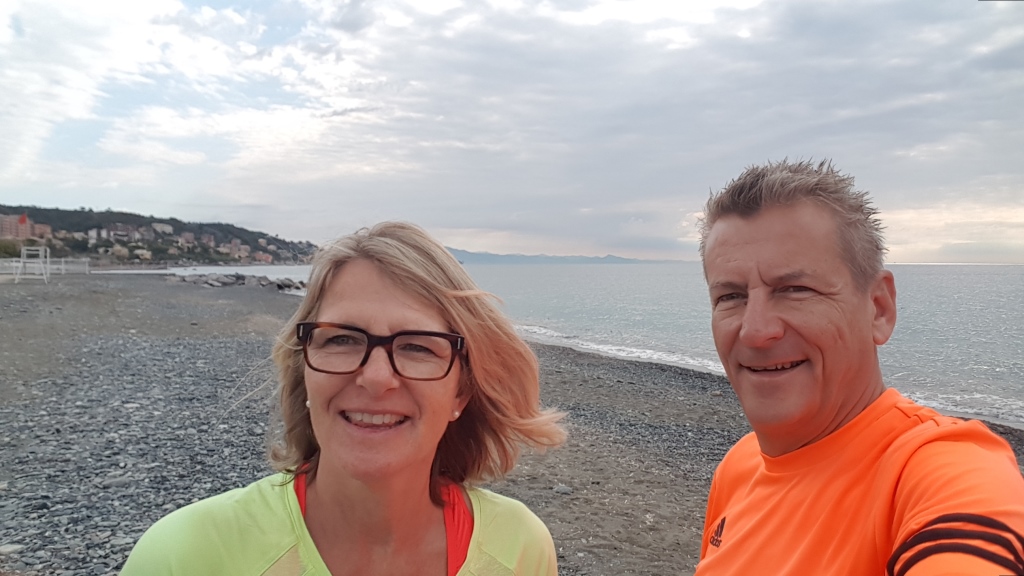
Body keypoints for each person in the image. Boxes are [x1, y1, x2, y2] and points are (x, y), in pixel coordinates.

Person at [122, 221, 566, 576]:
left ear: (461, 391)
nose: (376, 378)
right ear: (304, 368)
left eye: (417, 346)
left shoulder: (520, 548)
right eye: (342, 339)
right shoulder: (186, 556)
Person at [694, 160, 1024, 575]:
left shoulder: (938, 470)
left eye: (795, 289)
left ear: (878, 309)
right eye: (730, 297)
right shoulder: (737, 468)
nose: (755, 331)